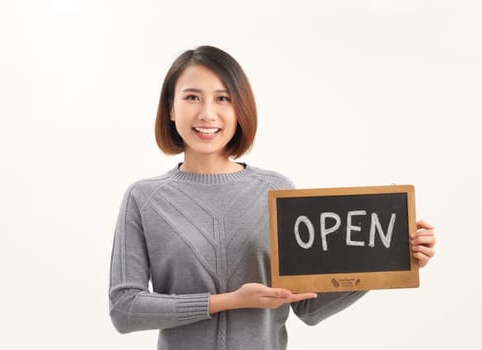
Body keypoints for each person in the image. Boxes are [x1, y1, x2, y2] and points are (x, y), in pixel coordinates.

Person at [108, 45, 437, 350]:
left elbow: (307, 306)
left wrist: (389, 258)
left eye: (223, 99)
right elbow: (125, 309)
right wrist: (228, 301)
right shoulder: (145, 198)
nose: (207, 113)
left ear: (240, 109)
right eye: (192, 97)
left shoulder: (275, 191)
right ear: (170, 108)